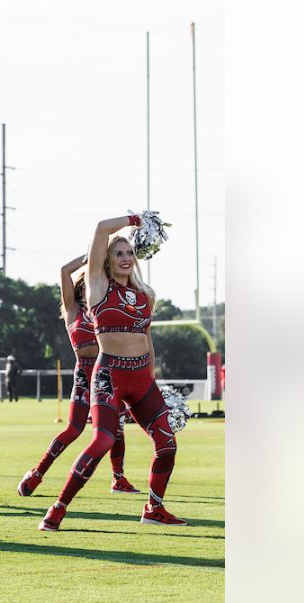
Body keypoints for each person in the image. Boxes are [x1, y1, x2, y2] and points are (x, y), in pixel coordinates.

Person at [39, 215, 186, 531]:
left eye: (129, 253)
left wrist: (153, 378)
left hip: (142, 380)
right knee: (102, 440)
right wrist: (135, 219)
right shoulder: (98, 287)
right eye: (118, 253)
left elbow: (147, 340)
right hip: (110, 376)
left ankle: (154, 508)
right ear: (104, 261)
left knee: (167, 443)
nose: (125, 258)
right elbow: (101, 228)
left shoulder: (146, 295)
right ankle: (58, 507)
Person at [18, 255, 138, 496]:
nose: (88, 291)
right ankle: (37, 474)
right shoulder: (73, 311)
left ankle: (118, 479)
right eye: (84, 287)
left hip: (108, 373)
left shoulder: (103, 307)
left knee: (117, 429)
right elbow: (64, 270)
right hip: (84, 373)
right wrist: (90, 256)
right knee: (73, 428)